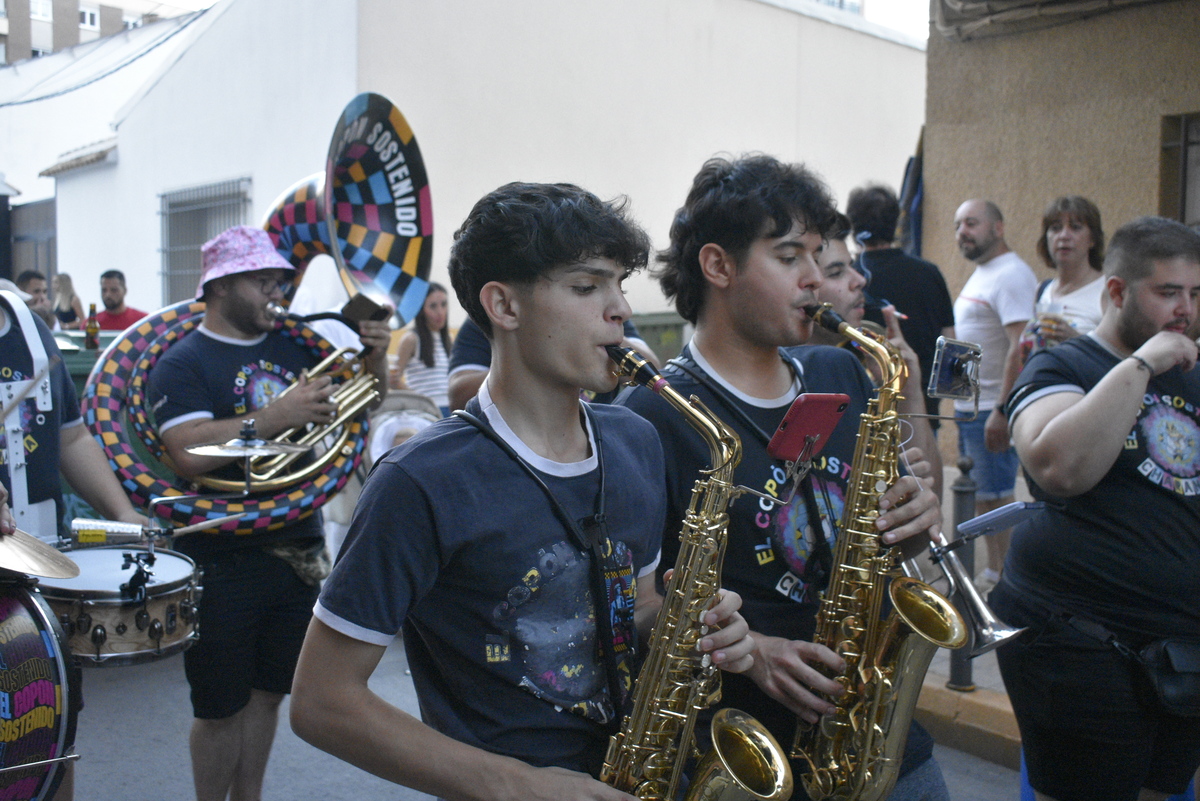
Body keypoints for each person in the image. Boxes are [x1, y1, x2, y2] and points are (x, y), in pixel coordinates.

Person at [289, 182, 755, 801]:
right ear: (504, 307)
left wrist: (689, 621)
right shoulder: (419, 481)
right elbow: (321, 702)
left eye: (619, 284)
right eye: (587, 287)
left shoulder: (636, 439)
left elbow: (637, 607)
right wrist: (516, 784)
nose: (619, 309)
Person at [617, 155, 948, 800]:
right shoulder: (652, 417)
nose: (814, 282)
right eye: (790, 256)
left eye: (818, 256)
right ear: (718, 266)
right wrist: (758, 649)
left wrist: (912, 521)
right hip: (749, 748)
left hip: (876, 725)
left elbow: (892, 537)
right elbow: (635, 604)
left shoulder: (843, 374)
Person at [145, 225, 391, 801]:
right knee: (219, 705)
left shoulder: (295, 342)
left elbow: (366, 399)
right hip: (219, 552)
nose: (276, 292)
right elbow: (187, 449)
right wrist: (277, 415)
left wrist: (375, 356)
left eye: (279, 280)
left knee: (267, 693)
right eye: (262, 281)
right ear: (222, 285)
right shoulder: (183, 363)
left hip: (297, 543)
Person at [992, 217, 1200, 801]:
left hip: (1182, 648)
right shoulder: (1064, 366)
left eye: (1195, 293)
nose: (1184, 309)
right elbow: (1058, 467)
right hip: (1081, 641)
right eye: (1168, 293)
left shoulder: (1195, 373)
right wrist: (1140, 366)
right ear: (1117, 292)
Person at [0, 282, 151, 801]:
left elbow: (69, 436)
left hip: (34, 575)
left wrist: (124, 513)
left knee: (49, 728)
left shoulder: (24, 322)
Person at [812, 212, 942, 498]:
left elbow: (930, 496)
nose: (859, 279)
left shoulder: (860, 368)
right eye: (836, 272)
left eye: (852, 266)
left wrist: (910, 388)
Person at [951, 199, 1037, 590]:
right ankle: (997, 573)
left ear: (998, 228)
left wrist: (1002, 409)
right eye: (957, 225)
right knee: (984, 497)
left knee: (999, 498)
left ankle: (1013, 582)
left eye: (971, 223)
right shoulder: (985, 272)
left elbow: (1022, 346)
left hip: (991, 408)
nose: (962, 232)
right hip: (973, 406)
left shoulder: (1011, 275)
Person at [847, 184, 955, 427]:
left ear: (854, 226)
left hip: (865, 411)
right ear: (896, 223)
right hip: (922, 409)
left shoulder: (848, 278)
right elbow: (949, 341)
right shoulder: (929, 273)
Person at [447, 308, 661, 411]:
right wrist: (533, 364)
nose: (623, 307)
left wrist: (596, 333)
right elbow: (458, 395)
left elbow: (651, 371)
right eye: (585, 287)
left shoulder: (611, 315)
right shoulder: (483, 320)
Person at [1018, 196, 1106, 363]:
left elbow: (1120, 358)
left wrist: (1075, 340)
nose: (1064, 236)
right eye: (1056, 228)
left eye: (1075, 227)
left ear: (1093, 239)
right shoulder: (1042, 289)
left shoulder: (1107, 290)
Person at [392, 281, 454, 415]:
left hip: (451, 408)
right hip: (425, 410)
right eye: (433, 306)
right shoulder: (411, 339)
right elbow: (393, 380)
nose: (440, 312)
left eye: (444, 304)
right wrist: (422, 401)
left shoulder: (448, 339)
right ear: (420, 310)